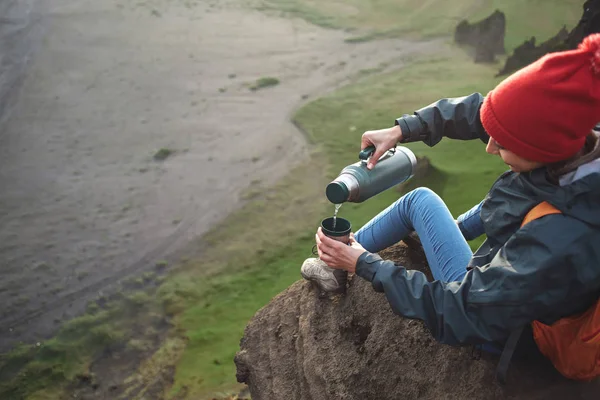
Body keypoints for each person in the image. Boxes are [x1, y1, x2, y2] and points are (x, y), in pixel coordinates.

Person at [300, 34, 600, 348]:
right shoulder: (577, 144)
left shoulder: (564, 235)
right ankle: (448, 232)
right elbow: (483, 113)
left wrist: (364, 264)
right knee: (495, 195)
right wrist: (403, 129)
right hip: (510, 289)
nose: (489, 147)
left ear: (539, 149)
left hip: (502, 327)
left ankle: (334, 265)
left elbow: (464, 312)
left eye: (502, 143)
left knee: (420, 200)